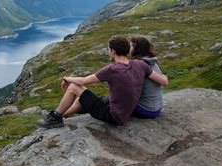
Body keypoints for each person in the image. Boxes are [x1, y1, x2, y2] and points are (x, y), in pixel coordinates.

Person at [38, 36, 168, 129]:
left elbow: (83, 81)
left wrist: (66, 78)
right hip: (125, 111)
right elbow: (162, 80)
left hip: (114, 116)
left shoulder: (112, 69)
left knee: (74, 87)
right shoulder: (140, 64)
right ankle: (61, 116)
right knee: (81, 99)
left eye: (108, 49)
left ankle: (55, 117)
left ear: (113, 51)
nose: (108, 52)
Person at [130, 37, 164, 118]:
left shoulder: (138, 64)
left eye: (131, 46)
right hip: (157, 108)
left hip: (145, 110)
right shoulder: (153, 62)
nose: (129, 49)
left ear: (136, 48)